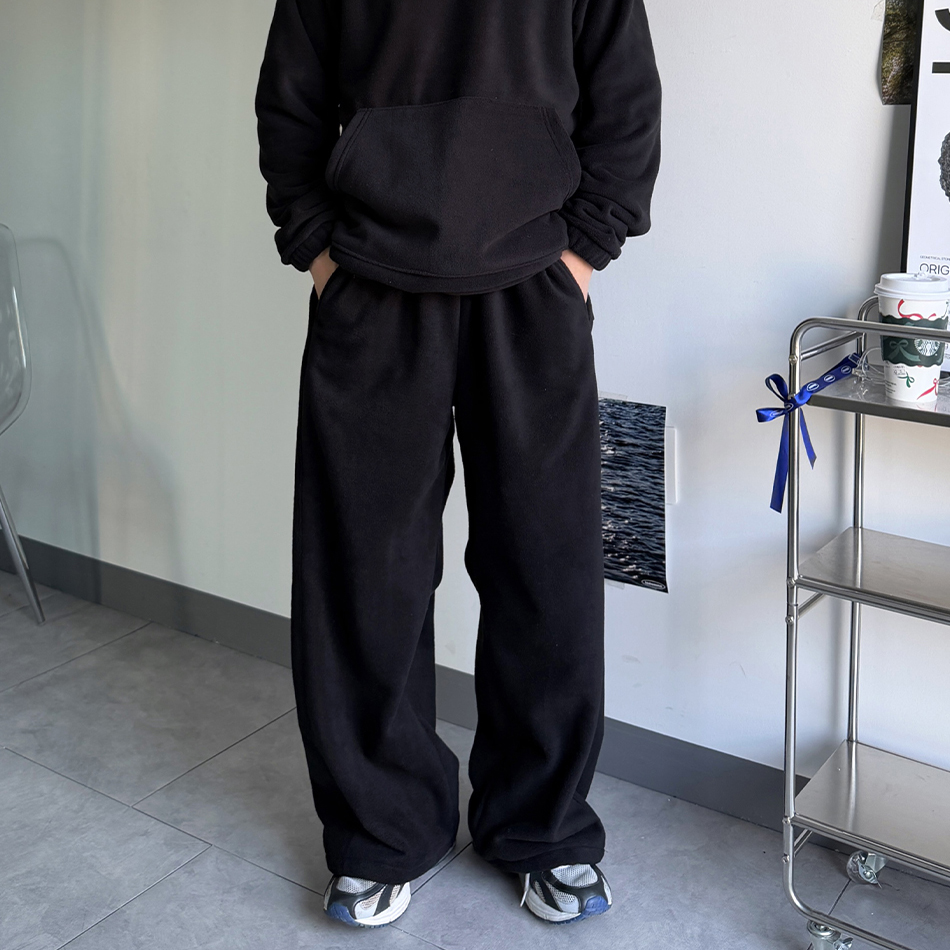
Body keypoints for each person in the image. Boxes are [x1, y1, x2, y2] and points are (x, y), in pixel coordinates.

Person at [255, 0, 661, 928]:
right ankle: (383, 832)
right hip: (371, 284)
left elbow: (626, 100)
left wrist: (582, 254)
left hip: (534, 284)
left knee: (547, 569)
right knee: (364, 575)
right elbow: (290, 104)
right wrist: (319, 253)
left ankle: (543, 827)